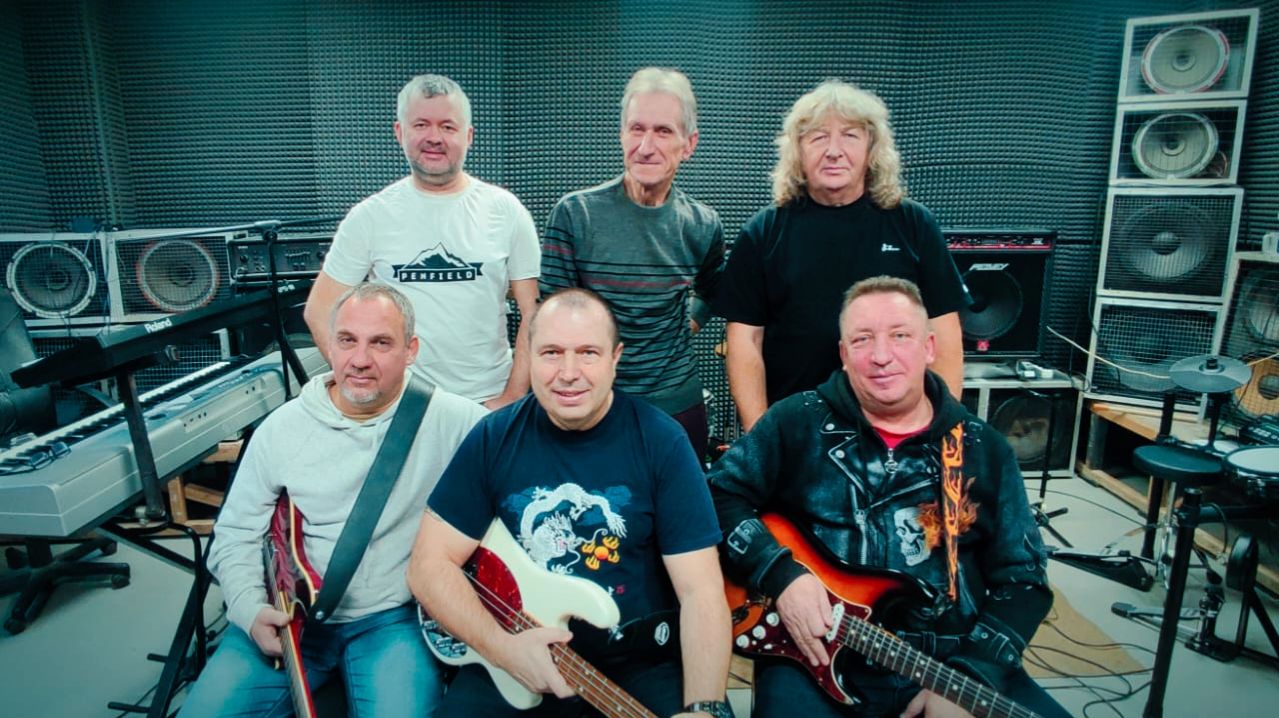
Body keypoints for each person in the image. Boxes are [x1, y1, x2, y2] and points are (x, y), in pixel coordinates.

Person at [706, 276, 1068, 718]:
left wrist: (971, 675)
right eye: (862, 339)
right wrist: (780, 574)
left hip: (948, 656)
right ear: (843, 355)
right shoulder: (795, 422)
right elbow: (718, 496)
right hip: (810, 647)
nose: (881, 356)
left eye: (900, 336)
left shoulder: (983, 449)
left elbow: (1025, 580)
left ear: (929, 347)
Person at [408, 288, 734, 718]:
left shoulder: (661, 442)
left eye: (587, 353)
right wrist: (503, 650)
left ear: (615, 358)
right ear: (527, 355)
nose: (568, 373)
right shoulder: (493, 437)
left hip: (635, 663)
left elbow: (701, 590)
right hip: (514, 655)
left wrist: (704, 706)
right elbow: (428, 565)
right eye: (551, 353)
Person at [181, 282, 487, 717]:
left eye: (380, 343)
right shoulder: (281, 429)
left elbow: (526, 461)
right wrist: (250, 610)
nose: (359, 359)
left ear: (411, 350)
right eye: (346, 340)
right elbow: (235, 533)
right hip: (290, 615)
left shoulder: (457, 421)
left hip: (391, 620)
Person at [714, 80, 969, 432]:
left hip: (896, 429)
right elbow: (744, 340)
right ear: (798, 150)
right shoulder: (763, 232)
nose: (833, 151)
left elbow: (944, 331)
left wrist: (944, 427)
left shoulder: (914, 225)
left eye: (849, 135)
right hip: (795, 430)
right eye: (818, 137)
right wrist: (761, 435)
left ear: (871, 148)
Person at [305, 73, 540, 409]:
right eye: (421, 125)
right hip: (403, 407)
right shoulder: (370, 217)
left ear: (468, 136)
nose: (434, 137)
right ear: (399, 132)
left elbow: (534, 314)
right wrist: (365, 380)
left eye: (448, 126)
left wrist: (512, 397)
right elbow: (319, 310)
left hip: (487, 403)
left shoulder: (506, 211)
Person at [540, 67, 725, 456]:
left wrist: (688, 323)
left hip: (677, 402)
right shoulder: (575, 214)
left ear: (689, 144)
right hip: (593, 401)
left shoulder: (703, 224)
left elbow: (713, 290)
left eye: (663, 131)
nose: (646, 146)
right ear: (622, 134)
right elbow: (553, 319)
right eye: (636, 129)